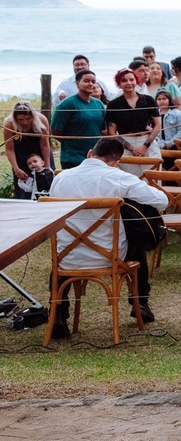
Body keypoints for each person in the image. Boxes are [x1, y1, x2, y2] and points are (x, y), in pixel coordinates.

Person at [47, 136, 169, 337]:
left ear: (90, 153)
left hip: (67, 257)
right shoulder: (119, 177)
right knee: (136, 244)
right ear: (115, 162)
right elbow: (162, 200)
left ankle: (58, 313)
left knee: (59, 261)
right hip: (109, 256)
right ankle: (140, 302)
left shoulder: (61, 178)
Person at [105, 67, 162, 176]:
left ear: (136, 81)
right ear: (119, 83)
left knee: (152, 176)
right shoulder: (113, 104)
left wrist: (145, 146)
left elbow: (158, 124)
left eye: (131, 79)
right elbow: (112, 132)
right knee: (128, 178)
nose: (129, 83)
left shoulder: (148, 100)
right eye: (124, 80)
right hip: (125, 143)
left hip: (147, 141)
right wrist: (131, 148)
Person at [49, 69, 108, 169]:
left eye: (93, 82)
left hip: (95, 156)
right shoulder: (66, 105)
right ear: (77, 83)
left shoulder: (99, 104)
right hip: (73, 157)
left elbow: (103, 130)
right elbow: (55, 131)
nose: (90, 84)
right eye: (86, 81)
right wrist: (73, 143)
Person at [4, 101, 53, 199]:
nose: (25, 122)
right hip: (21, 156)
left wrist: (47, 166)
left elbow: (45, 145)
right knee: (24, 188)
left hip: (40, 154)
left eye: (28, 118)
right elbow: (9, 149)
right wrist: (16, 169)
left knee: (47, 184)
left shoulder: (42, 120)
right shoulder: (9, 124)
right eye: (21, 119)